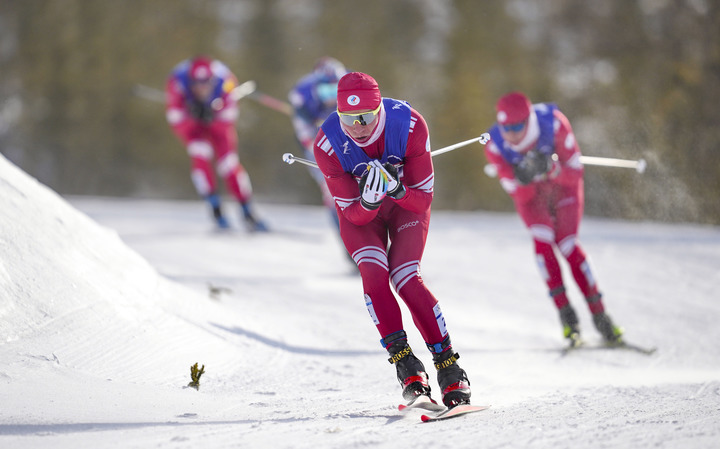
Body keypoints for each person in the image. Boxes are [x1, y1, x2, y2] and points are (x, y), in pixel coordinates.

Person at [313, 72, 471, 408]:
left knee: (405, 276)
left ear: (379, 110)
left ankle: (449, 368)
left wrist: (396, 189)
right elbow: (353, 216)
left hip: (405, 208)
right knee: (373, 272)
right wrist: (368, 201)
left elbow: (423, 200)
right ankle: (407, 366)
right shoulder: (326, 143)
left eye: (365, 117)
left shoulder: (409, 125)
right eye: (348, 119)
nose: (357, 127)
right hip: (362, 216)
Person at [484, 91, 623, 346]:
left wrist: (551, 168)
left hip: (563, 191)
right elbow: (520, 195)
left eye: (517, 126)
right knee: (543, 243)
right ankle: (568, 319)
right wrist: (524, 177)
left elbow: (575, 173)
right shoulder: (494, 145)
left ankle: (602, 318)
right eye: (506, 127)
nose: (511, 134)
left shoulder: (554, 124)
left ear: (529, 120)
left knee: (568, 244)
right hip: (533, 199)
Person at [165, 56, 267, 231]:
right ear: (190, 82)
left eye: (206, 83)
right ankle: (216, 209)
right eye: (197, 83)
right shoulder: (177, 83)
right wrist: (193, 117)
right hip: (194, 129)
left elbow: (230, 115)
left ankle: (247, 211)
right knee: (200, 154)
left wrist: (212, 117)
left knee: (228, 164)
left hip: (219, 127)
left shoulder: (226, 82)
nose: (202, 88)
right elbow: (175, 119)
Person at [288, 57, 348, 231]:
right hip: (317, 143)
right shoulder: (303, 97)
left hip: (348, 139)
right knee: (331, 190)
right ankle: (344, 235)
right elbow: (304, 135)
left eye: (334, 91)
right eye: (325, 92)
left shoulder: (355, 88)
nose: (330, 98)